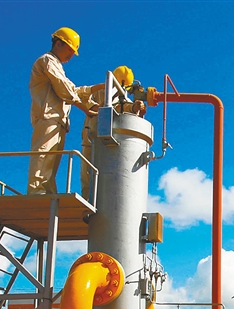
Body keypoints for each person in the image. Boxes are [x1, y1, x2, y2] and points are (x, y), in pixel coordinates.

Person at [27, 27, 98, 195]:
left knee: (51, 162)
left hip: (58, 120)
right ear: (58, 43)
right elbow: (63, 89)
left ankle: (48, 192)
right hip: (48, 116)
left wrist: (96, 88)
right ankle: (36, 192)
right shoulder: (47, 60)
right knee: (43, 156)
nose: (71, 55)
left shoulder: (57, 66)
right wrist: (85, 109)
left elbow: (72, 89)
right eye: (70, 50)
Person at [80, 65, 146, 200]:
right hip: (91, 139)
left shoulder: (125, 100)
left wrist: (136, 108)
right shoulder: (100, 91)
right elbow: (82, 96)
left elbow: (127, 111)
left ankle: (102, 205)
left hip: (110, 146)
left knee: (108, 180)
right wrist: (95, 107)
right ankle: (87, 206)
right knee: (88, 177)